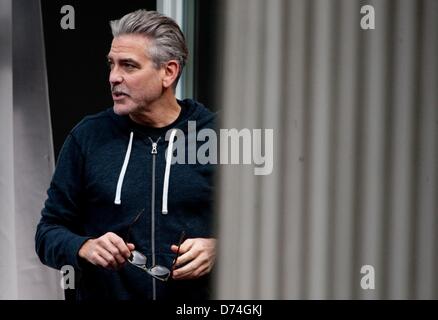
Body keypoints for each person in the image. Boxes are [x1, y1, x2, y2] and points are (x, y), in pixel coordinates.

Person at [35, 9, 217, 300]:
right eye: (111, 64)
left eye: (129, 66)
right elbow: (47, 233)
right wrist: (84, 247)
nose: (113, 77)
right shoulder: (88, 137)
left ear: (168, 72)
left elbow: (273, 234)